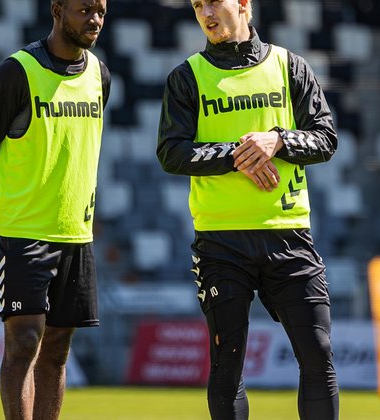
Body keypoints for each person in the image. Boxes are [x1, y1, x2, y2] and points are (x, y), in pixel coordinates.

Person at [157, 1, 339, 419]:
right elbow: (171, 153)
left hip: (288, 234)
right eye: (197, 5)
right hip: (220, 242)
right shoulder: (186, 77)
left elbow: (326, 138)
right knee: (228, 364)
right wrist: (240, 154)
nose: (205, 13)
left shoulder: (290, 66)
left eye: (213, 2)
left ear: (242, 4)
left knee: (318, 353)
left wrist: (278, 140)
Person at [0, 0, 109, 419]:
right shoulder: (16, 72)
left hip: (76, 232)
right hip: (22, 229)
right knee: (24, 341)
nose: (95, 20)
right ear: (57, 10)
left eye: (101, 11)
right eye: (85, 10)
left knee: (57, 350)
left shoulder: (100, 75)